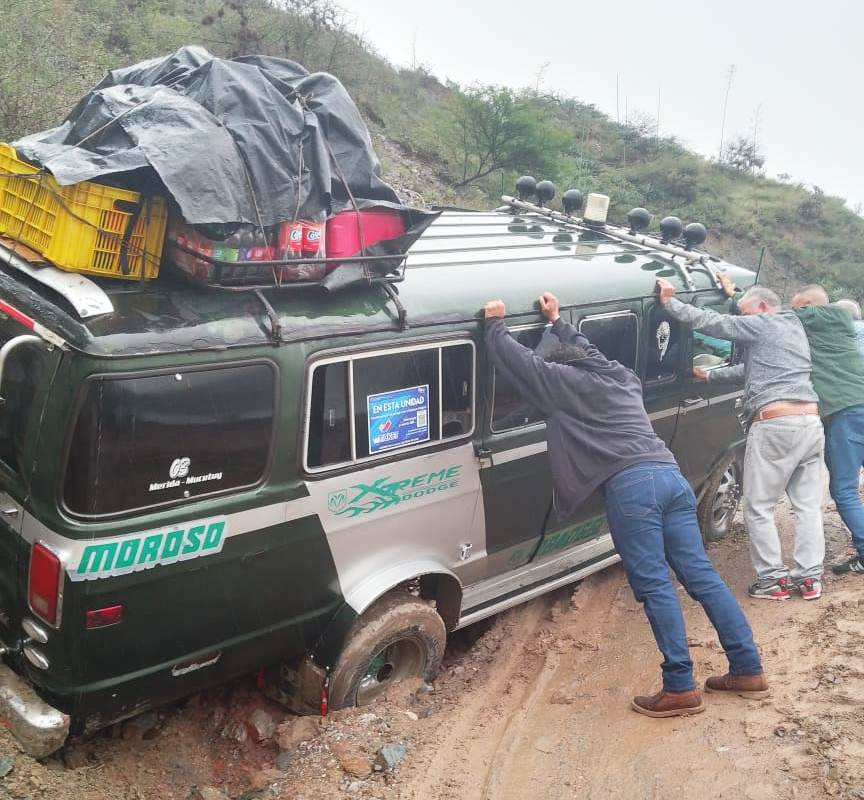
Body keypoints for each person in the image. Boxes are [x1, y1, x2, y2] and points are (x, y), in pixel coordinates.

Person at [484, 292, 767, 719]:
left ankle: (679, 687)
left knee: (654, 586)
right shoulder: (621, 377)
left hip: (632, 487)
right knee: (701, 576)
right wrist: (558, 322)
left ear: (562, 368)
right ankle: (747, 668)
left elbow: (519, 363)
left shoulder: (562, 384)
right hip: (669, 476)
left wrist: (493, 325)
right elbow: (588, 349)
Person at [657, 277, 825, 601]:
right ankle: (809, 579)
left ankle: (772, 581)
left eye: (745, 313)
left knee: (758, 506)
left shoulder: (763, 324)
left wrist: (670, 303)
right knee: (807, 507)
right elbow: (750, 370)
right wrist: (710, 374)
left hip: (776, 423)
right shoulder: (792, 329)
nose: (742, 320)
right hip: (809, 421)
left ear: (763, 308)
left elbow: (715, 323)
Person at [792, 285, 864, 576]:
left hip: (845, 413)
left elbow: (771, 318)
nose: (795, 312)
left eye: (798, 307)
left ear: (809, 306)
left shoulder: (820, 318)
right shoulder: (843, 322)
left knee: (843, 489)